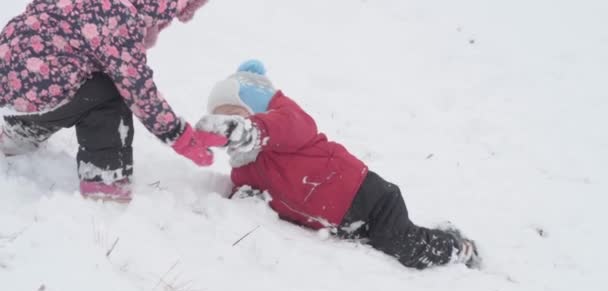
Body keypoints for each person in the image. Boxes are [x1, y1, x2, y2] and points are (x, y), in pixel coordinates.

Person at [196, 60, 481, 270]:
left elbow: (285, 125)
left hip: (370, 198)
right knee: (386, 246)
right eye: (222, 124)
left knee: (404, 246)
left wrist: (249, 131)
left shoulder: (285, 124)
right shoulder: (245, 171)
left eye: (233, 117)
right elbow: (246, 197)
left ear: (255, 111)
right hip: (344, 223)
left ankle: (457, 247)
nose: (229, 130)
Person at [0, 0, 226, 202]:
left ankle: (19, 133)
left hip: (11, 96)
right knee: (113, 88)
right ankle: (105, 179)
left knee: (73, 78)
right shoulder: (120, 14)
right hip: (40, 97)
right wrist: (180, 135)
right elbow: (138, 90)